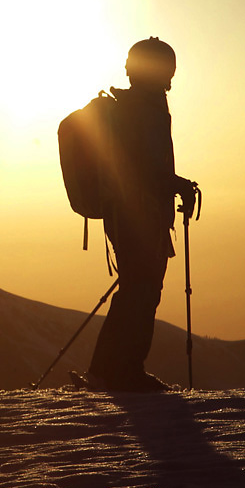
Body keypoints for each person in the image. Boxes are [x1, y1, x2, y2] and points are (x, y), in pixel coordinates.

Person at [86, 37, 197, 392]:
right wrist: (177, 184)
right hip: (138, 215)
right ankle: (125, 371)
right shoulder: (144, 110)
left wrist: (173, 185)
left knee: (136, 290)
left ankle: (108, 370)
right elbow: (143, 168)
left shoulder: (134, 106)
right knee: (142, 291)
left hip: (128, 213)